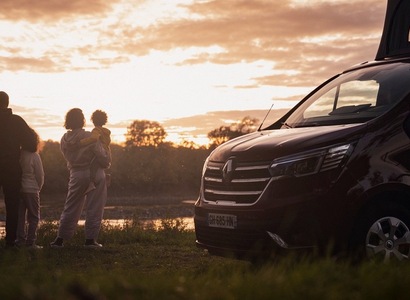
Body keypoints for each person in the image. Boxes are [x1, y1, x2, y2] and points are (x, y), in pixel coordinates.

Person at [50, 108, 111, 249]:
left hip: (75, 174)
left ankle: (59, 240)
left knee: (70, 206)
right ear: (83, 120)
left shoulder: (64, 139)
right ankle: (90, 241)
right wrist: (106, 161)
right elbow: (102, 157)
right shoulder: (90, 136)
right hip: (95, 174)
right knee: (95, 207)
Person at [0, 91, 34, 248]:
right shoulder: (16, 121)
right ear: (7, 103)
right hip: (11, 167)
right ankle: (10, 241)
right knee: (12, 204)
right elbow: (32, 144)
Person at [16, 128, 44, 249]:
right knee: (34, 217)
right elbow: (40, 175)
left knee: (20, 216)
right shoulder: (34, 156)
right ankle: (30, 243)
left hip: (19, 190)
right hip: (32, 189)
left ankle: (20, 241)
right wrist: (38, 188)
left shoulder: (18, 155)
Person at [78, 110, 111, 194]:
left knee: (93, 165)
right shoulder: (106, 131)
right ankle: (106, 177)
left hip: (101, 151)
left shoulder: (96, 130)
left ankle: (91, 182)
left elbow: (94, 139)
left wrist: (81, 142)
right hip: (107, 152)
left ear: (93, 120)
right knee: (101, 165)